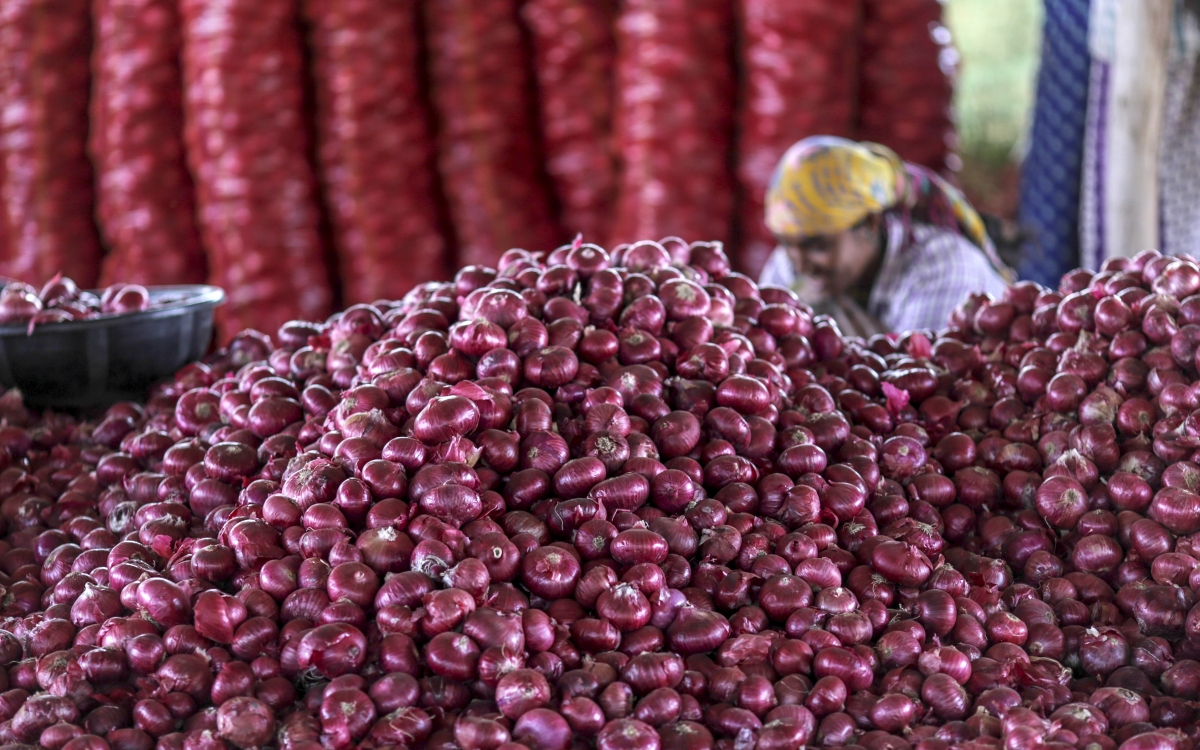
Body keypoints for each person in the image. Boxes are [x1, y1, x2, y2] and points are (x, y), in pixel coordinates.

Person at [758, 136, 1012, 336]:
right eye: (786, 244)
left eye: (818, 246)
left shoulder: (943, 270)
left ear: (869, 223)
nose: (799, 265)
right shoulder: (792, 260)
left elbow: (915, 384)